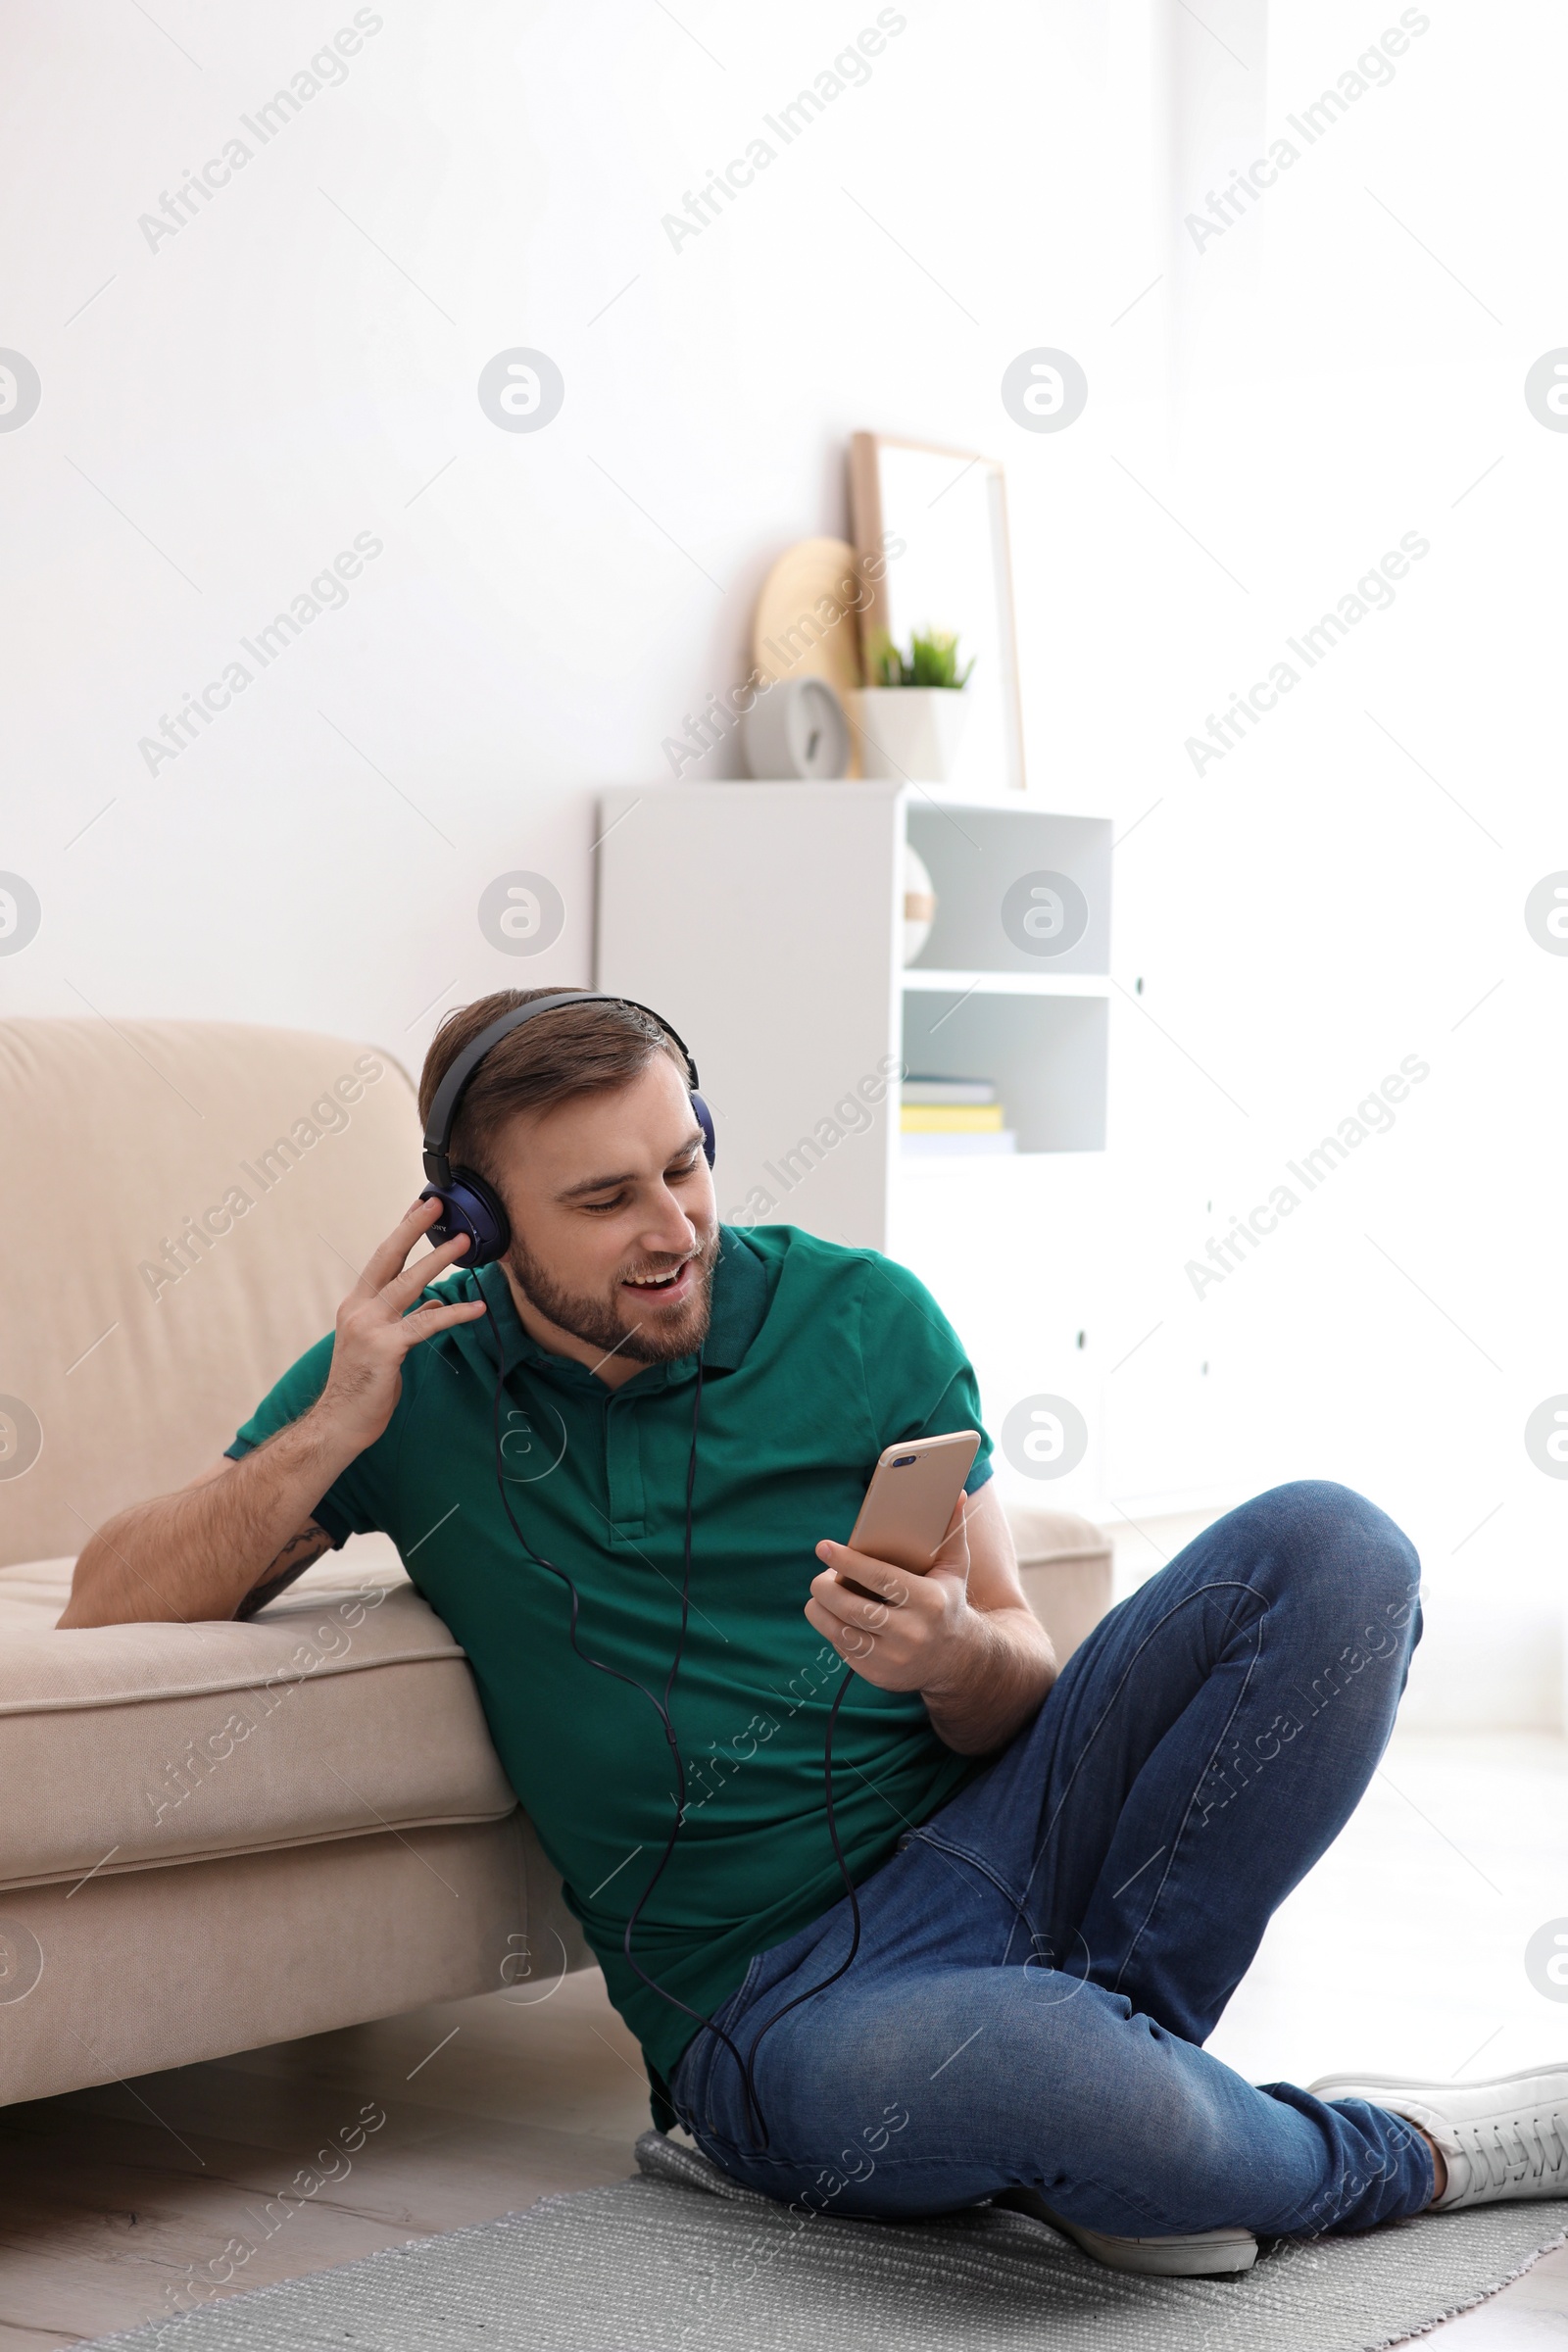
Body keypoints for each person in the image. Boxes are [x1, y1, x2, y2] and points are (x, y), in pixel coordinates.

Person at [63, 988, 1568, 2277]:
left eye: (686, 1164)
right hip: (780, 2011)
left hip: (997, 1841)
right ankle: (1391, 2150)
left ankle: (1124, 2113)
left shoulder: (865, 1319)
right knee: (1056, 2066)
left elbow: (1018, 1684)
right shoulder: (412, 1391)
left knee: (1336, 1547)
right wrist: (331, 1428)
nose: (673, 1231)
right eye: (604, 1202)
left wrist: (954, 1661)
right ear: (471, 1218)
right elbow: (109, 1601)